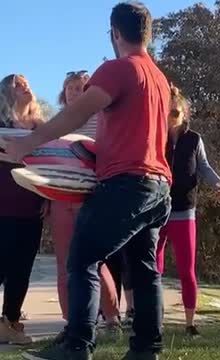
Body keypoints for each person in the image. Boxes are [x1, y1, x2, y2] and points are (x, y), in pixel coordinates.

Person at [7, 3, 172, 359]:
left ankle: (77, 345)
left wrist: (29, 143)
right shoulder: (159, 78)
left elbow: (76, 113)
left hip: (126, 184)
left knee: (82, 258)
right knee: (145, 271)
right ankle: (146, 349)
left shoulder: (117, 69)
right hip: (158, 187)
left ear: (115, 33)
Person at [49, 71, 121, 342]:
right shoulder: (55, 123)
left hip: (89, 196)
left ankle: (112, 317)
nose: (75, 92)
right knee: (63, 263)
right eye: (70, 88)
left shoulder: (100, 118)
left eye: (81, 88)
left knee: (91, 259)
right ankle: (70, 323)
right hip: (59, 197)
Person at [156, 85, 220, 336]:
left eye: (176, 112)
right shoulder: (156, 136)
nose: (171, 117)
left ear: (185, 114)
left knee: (186, 270)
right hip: (156, 210)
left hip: (184, 211)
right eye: (167, 112)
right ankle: (152, 318)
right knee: (152, 267)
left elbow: (204, 168)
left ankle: (189, 323)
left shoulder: (193, 139)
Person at [0, 74, 46, 345]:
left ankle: (12, 322)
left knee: (22, 267)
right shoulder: (1, 125)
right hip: (1, 205)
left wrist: (49, 199)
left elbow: (52, 166)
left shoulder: (42, 128)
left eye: (27, 81)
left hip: (31, 206)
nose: (25, 85)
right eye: (17, 83)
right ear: (6, 93)